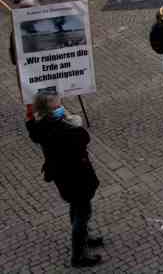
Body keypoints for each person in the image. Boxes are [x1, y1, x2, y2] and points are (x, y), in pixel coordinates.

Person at [26, 91, 103, 267]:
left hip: (62, 174)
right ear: (50, 108)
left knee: (76, 206)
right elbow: (84, 138)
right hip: (75, 173)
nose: (61, 105)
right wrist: (71, 120)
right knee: (82, 211)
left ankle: (84, 237)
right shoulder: (58, 127)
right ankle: (79, 255)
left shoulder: (39, 125)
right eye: (58, 103)